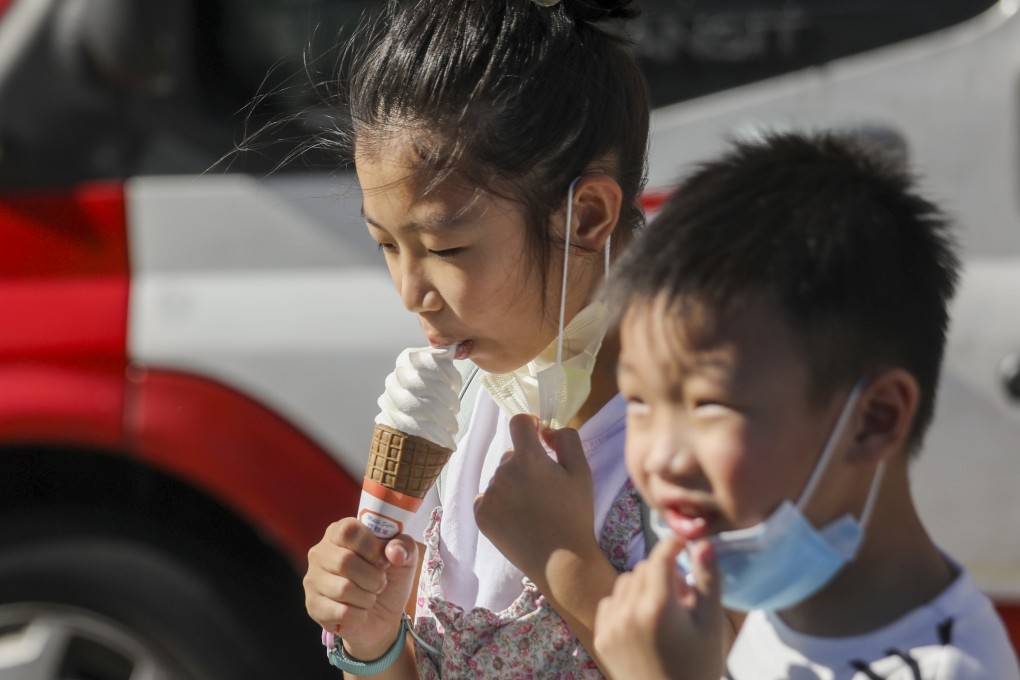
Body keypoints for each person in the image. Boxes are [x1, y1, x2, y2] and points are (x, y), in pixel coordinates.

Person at [302, 0, 651, 677]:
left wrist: (568, 564)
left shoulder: (707, 431)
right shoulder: (478, 400)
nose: (411, 292)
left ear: (587, 215)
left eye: (447, 248)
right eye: (385, 244)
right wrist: (374, 644)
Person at [592, 131, 1020, 679]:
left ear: (875, 420)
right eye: (640, 401)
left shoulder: (948, 669)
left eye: (708, 405)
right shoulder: (762, 611)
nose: (659, 458)